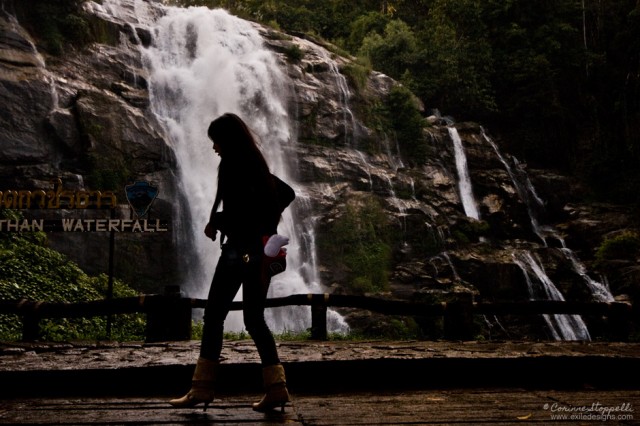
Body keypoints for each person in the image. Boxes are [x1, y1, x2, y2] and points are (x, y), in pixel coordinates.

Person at [169, 113, 295, 413]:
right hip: (259, 253)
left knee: (213, 316)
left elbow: (241, 211)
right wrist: (265, 225)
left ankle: (201, 388)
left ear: (227, 140)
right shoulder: (254, 161)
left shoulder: (235, 165)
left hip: (239, 253)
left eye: (216, 142)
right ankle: (276, 388)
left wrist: (221, 221)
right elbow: (285, 194)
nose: (214, 148)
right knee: (254, 318)